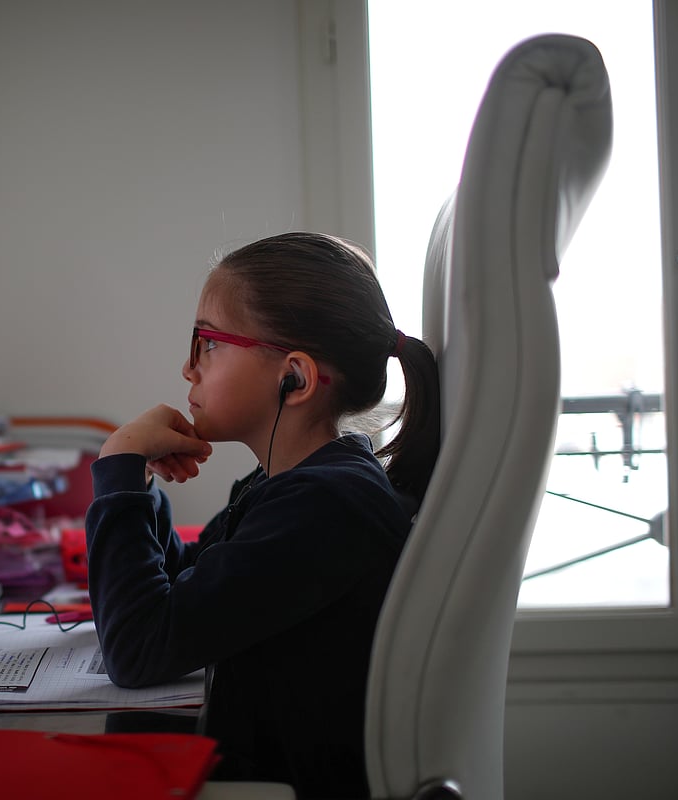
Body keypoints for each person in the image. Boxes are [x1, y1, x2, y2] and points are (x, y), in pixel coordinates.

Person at [84, 231, 441, 798]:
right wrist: (141, 482)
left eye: (208, 343)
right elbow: (181, 589)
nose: (188, 368)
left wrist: (117, 469)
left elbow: (137, 649)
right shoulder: (293, 486)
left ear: (293, 377)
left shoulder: (327, 507)